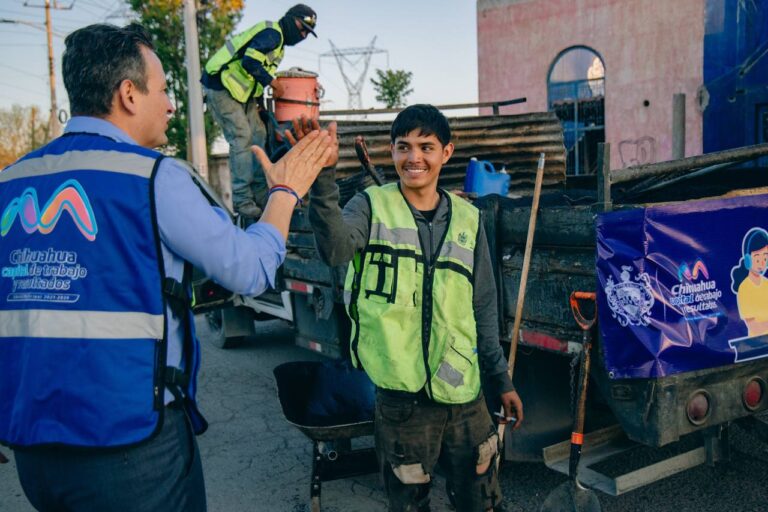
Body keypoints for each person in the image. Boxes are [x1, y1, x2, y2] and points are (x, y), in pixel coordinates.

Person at [0, 23, 332, 512]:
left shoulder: (11, 180)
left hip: (32, 451)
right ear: (128, 94)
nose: (172, 106)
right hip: (130, 451)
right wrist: (285, 191)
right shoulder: (154, 177)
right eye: (162, 90)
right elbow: (249, 270)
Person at [297, 105, 524, 512]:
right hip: (401, 401)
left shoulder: (468, 219)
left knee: (482, 501)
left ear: (446, 152)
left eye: (426, 147)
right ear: (391, 151)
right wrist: (323, 179)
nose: (414, 157)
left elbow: (484, 305)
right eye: (404, 147)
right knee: (408, 505)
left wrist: (500, 380)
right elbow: (335, 249)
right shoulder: (370, 206)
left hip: (464, 395)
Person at [202, 3, 318, 222]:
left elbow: (254, 76)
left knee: (259, 135)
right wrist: (272, 83)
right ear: (290, 19)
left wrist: (261, 105)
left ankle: (260, 195)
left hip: (241, 93)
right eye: (302, 28)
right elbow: (250, 62)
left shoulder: (279, 46)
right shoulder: (273, 34)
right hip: (220, 83)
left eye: (307, 33)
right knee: (242, 136)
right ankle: (243, 201)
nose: (302, 35)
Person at [730, 227, 768, 337]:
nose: (762, 263)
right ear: (747, 259)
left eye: (765, 258)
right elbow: (754, 327)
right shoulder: (744, 289)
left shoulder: (766, 283)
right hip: (758, 343)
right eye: (757, 259)